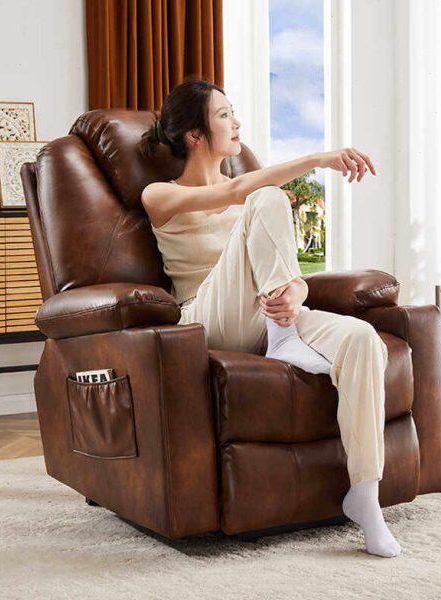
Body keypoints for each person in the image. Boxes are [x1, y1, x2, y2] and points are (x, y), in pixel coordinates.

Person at [139, 76, 400, 558]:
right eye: (224, 115)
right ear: (194, 135)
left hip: (265, 317)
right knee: (267, 195)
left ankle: (365, 494)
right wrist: (319, 159)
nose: (237, 122)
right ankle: (284, 337)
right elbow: (242, 189)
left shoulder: (251, 197)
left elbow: (283, 270)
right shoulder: (160, 194)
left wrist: (296, 292)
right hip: (206, 320)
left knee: (362, 337)